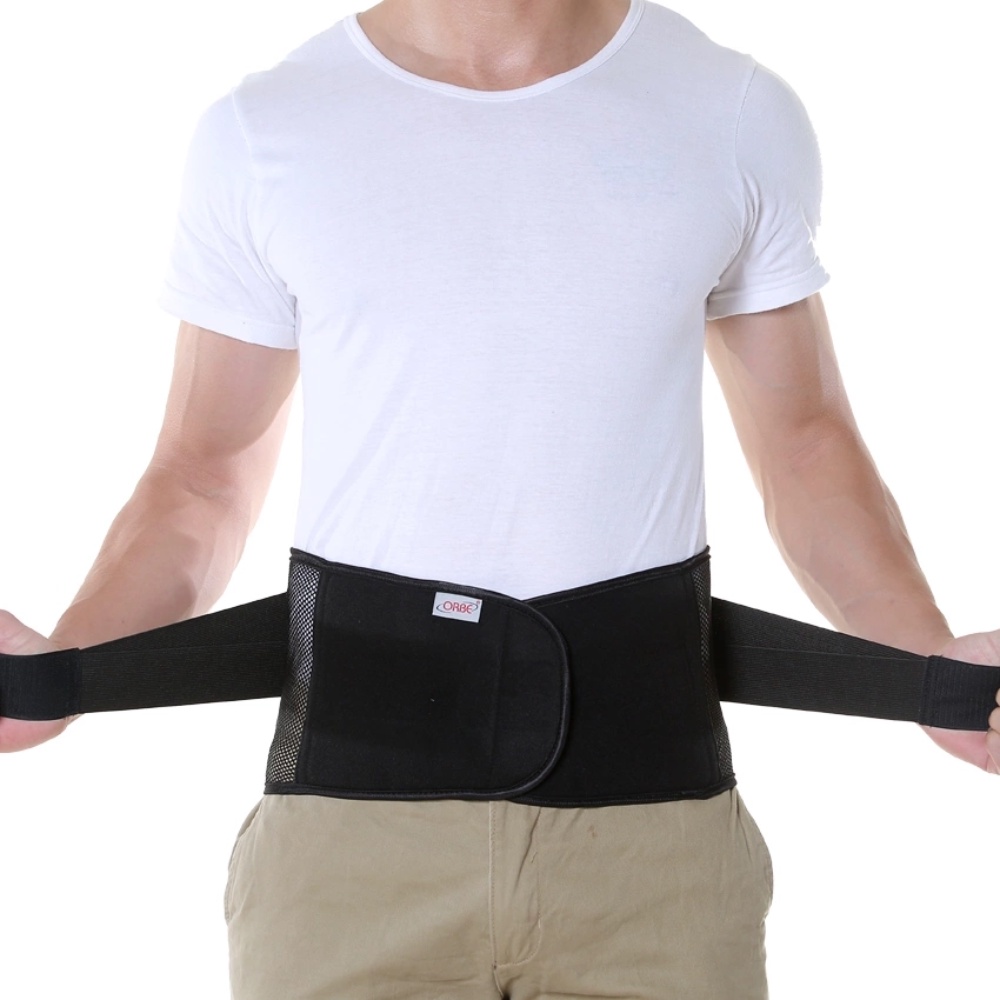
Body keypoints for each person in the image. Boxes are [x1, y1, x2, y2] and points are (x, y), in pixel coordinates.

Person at [1, 0, 998, 997]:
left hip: (653, 852)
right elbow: (202, 475)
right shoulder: (268, 130)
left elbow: (805, 446)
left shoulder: (727, 108)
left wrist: (926, 663)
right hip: (349, 852)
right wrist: (66, 668)